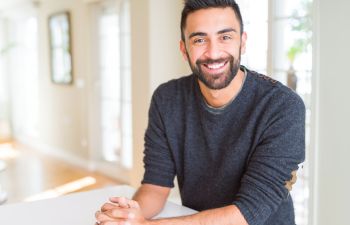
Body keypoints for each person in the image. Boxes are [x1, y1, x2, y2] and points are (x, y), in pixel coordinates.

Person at [95, 0, 305, 224]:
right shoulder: (167, 99)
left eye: (225, 37)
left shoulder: (282, 106)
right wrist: (128, 215)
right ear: (184, 49)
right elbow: (155, 186)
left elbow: (246, 214)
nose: (213, 52)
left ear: (242, 42)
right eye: (200, 39)